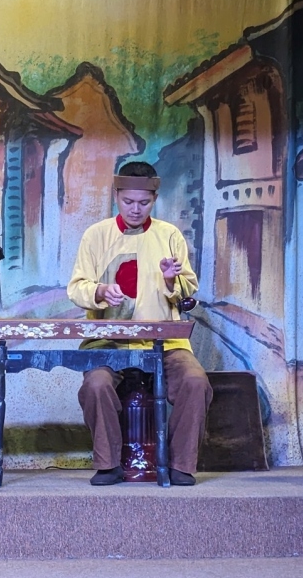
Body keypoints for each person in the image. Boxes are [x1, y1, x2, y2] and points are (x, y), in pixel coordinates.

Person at [66, 161, 212, 487]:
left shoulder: (169, 235)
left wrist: (172, 280)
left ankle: (181, 464)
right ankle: (108, 464)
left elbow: (188, 288)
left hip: (165, 342)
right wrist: (99, 291)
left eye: (144, 203)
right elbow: (76, 288)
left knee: (195, 381)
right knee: (96, 385)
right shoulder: (96, 235)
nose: (135, 209)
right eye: (128, 201)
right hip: (109, 341)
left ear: (155, 199)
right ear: (116, 196)